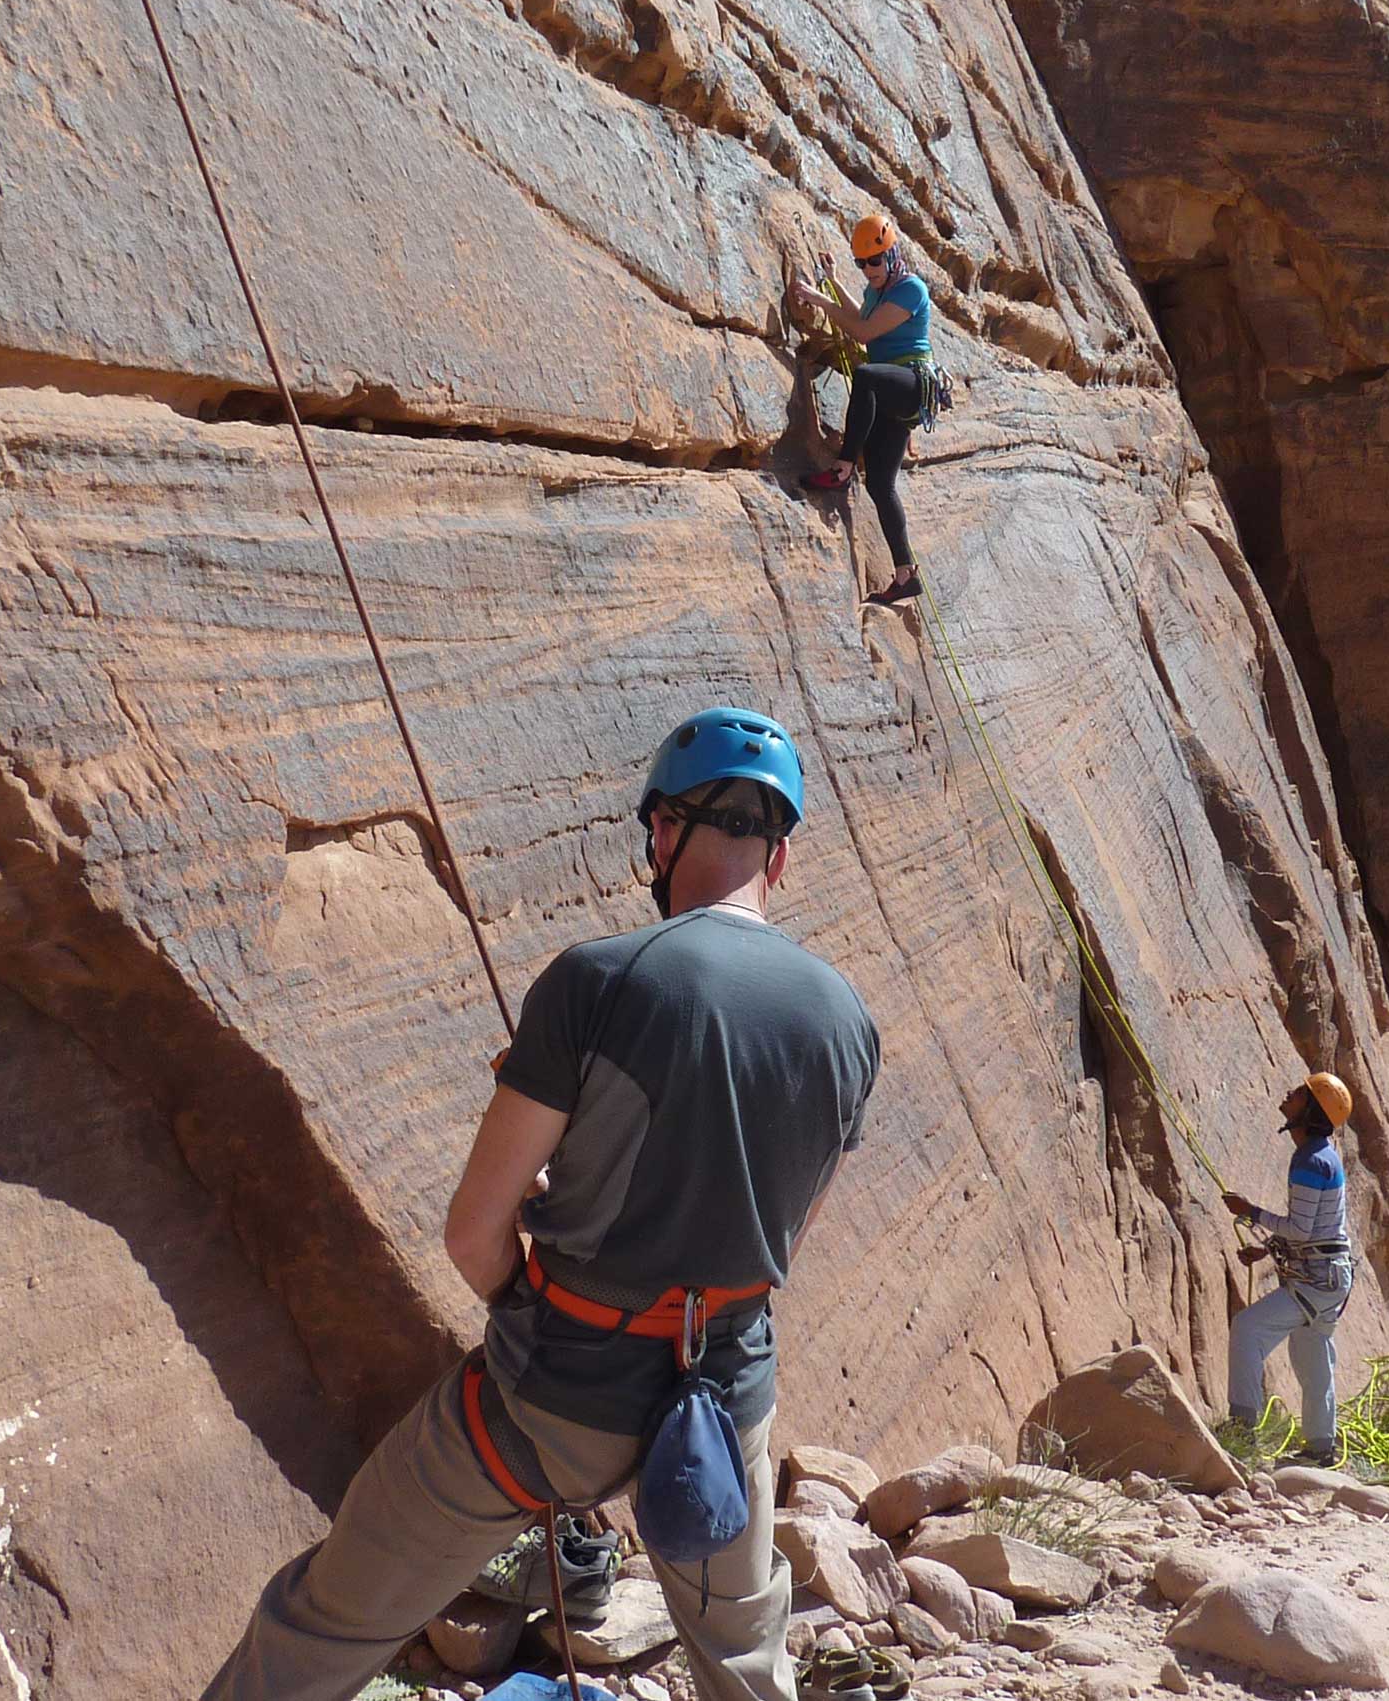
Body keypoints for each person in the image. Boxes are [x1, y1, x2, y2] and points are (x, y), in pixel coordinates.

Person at [199, 707, 882, 1701]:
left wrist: (529, 1297)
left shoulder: (598, 979)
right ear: (778, 852)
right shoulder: (846, 1020)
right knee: (743, 1664)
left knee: (320, 1623)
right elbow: (779, 1238)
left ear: (662, 831)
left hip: (553, 1388)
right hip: (721, 1396)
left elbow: (474, 1232)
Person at [788, 211, 933, 607]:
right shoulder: (879, 290)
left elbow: (865, 333)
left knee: (866, 375)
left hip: (911, 385)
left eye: (874, 260)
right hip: (892, 394)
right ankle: (905, 575)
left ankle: (842, 467)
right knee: (880, 485)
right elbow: (862, 315)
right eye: (861, 263)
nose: (868, 269)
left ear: (891, 254)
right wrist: (833, 282)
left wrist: (818, 299)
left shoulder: (910, 289)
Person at [1220, 1071, 1356, 1463]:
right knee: (1311, 1353)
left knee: (1247, 1329)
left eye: (1298, 1094)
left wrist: (1252, 1212)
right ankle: (1320, 1448)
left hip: (1318, 1279)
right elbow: (1315, 1229)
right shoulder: (1320, 1156)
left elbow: (1301, 1228)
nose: (1288, 1094)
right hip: (1329, 1277)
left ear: (1310, 1110)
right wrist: (1269, 1250)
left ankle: (1242, 1431)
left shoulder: (1310, 1160)